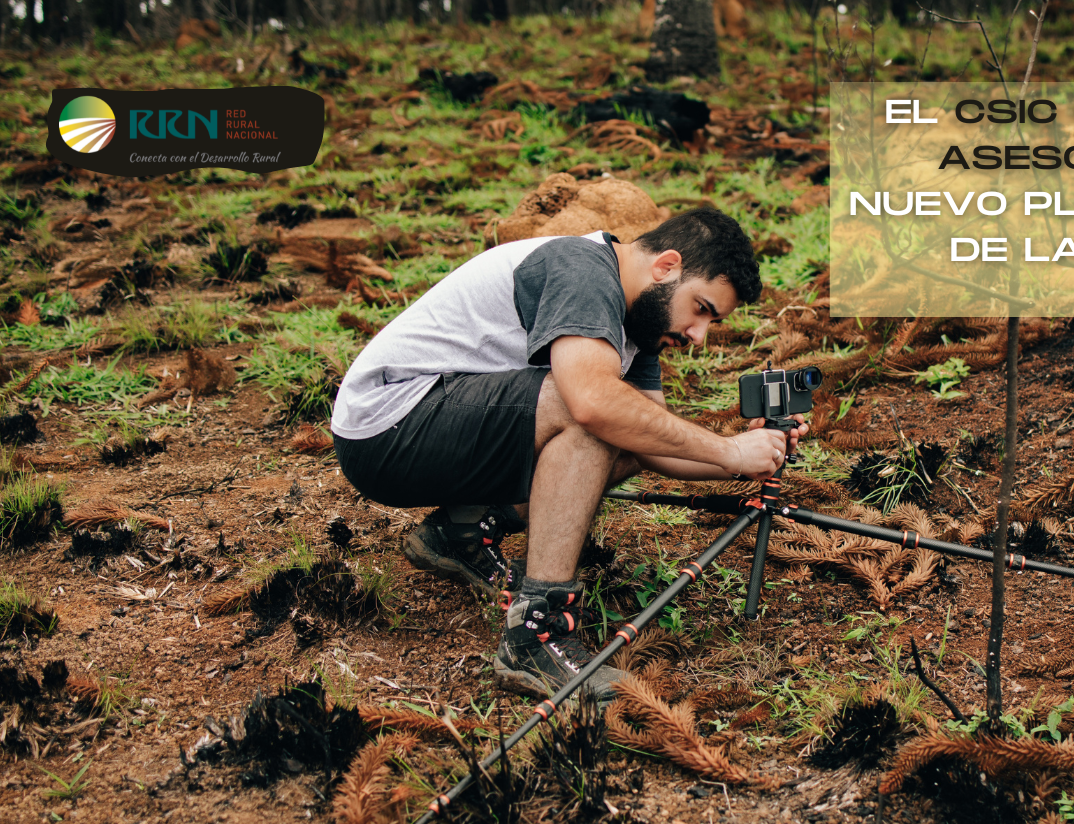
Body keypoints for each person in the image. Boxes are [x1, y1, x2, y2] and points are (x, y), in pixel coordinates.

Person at [330, 208, 806, 703]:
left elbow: (653, 444)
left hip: (432, 428)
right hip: (387, 425)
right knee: (595, 414)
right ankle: (533, 636)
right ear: (666, 267)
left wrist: (751, 455)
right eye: (701, 308)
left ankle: (461, 531)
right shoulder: (583, 270)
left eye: (712, 321)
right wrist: (728, 451)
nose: (698, 335)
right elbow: (592, 404)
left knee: (632, 425)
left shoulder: (638, 320)